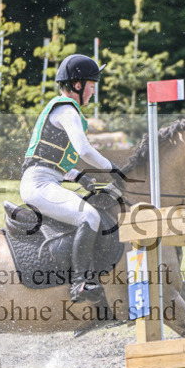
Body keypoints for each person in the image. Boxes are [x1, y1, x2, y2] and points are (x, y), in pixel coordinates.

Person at [21, 54, 121, 305]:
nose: (93, 92)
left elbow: (50, 159)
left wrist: (78, 176)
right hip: (39, 184)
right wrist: (111, 168)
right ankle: (80, 284)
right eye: (92, 86)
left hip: (45, 180)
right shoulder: (67, 110)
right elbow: (84, 150)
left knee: (92, 210)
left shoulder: (61, 109)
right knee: (89, 217)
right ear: (78, 85)